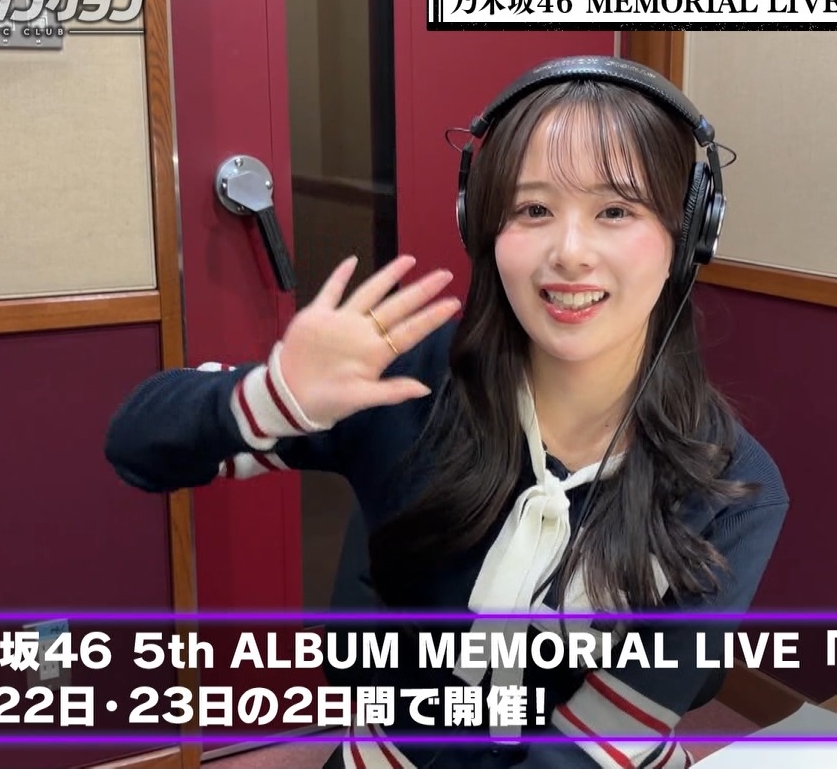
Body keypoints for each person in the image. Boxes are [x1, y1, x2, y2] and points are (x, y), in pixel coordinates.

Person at [104, 55, 789, 769]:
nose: (570, 253)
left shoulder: (733, 487)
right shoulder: (403, 383)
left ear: (689, 235)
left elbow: (592, 748)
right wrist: (276, 395)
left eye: (616, 211)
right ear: (482, 228)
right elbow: (136, 444)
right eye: (533, 210)